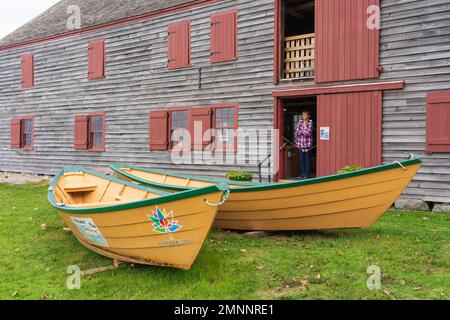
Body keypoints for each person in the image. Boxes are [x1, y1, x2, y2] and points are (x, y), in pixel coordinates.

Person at [295, 110, 313, 179]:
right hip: (300, 145)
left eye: (305, 115)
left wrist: (301, 131)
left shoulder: (310, 123)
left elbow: (308, 133)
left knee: (307, 159)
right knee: (301, 159)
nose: (304, 116)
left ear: (308, 116)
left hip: (307, 145)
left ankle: (307, 174)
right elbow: (297, 132)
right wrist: (303, 131)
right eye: (303, 115)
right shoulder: (299, 122)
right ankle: (302, 174)